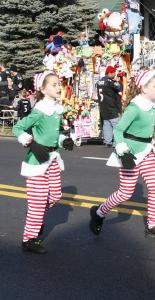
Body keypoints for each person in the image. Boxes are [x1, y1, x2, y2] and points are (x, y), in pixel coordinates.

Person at [89, 70, 155, 238]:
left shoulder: (151, 106)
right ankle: (99, 212)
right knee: (125, 193)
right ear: (144, 88)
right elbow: (118, 130)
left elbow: (145, 132)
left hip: (147, 152)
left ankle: (152, 226)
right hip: (130, 154)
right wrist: (122, 150)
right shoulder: (135, 108)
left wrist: (154, 146)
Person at [12, 71, 74, 254]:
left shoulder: (56, 109)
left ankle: (35, 217)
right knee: (38, 201)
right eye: (54, 85)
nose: (58, 87)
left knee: (55, 196)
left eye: (58, 84)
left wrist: (64, 140)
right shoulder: (39, 111)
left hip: (52, 159)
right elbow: (18, 128)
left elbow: (55, 135)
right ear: (43, 89)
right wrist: (30, 141)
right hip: (37, 161)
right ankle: (28, 239)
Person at [97, 66, 122, 147]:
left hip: (103, 107)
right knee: (116, 125)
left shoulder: (99, 81)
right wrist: (118, 82)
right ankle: (116, 142)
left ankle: (107, 142)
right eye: (113, 73)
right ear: (109, 73)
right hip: (111, 107)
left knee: (106, 124)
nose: (114, 74)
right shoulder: (110, 82)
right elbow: (119, 88)